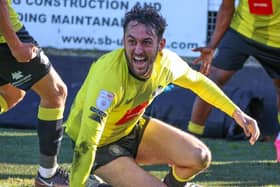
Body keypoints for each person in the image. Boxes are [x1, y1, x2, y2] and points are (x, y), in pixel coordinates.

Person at [64, 5, 260, 187]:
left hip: (131, 128)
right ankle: (89, 178)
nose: (138, 50)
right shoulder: (108, 77)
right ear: (123, 40)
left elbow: (200, 83)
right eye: (131, 41)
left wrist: (237, 113)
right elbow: (86, 142)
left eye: (146, 42)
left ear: (161, 44)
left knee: (200, 157)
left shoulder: (167, 63)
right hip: (99, 146)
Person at [187, 0, 280, 162]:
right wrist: (212, 45)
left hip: (276, 40)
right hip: (242, 32)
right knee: (211, 81)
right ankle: (190, 141)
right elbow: (227, 7)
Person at [0, 0, 69, 186]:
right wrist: (15, 45)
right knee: (56, 93)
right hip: (5, 41)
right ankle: (48, 175)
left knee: (11, 94)